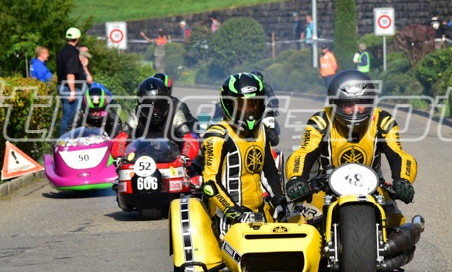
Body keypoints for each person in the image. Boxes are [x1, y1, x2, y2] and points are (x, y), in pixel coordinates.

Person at [285, 70, 417, 209]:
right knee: (300, 219)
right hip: (322, 190)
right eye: (348, 104)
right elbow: (304, 152)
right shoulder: (320, 121)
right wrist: (297, 178)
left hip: (372, 188)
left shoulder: (383, 121)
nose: (356, 110)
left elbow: (398, 155)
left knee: (395, 218)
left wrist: (403, 180)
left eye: (362, 102)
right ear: (335, 104)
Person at [200, 72, 287, 233]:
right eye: (243, 105)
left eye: (255, 104)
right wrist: (236, 213)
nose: (251, 111)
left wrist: (279, 200)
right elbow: (210, 184)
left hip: (259, 215)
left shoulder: (261, 132)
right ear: (229, 104)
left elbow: (270, 172)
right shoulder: (217, 135)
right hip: (228, 221)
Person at [113, 76, 200, 160]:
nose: (154, 112)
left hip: (172, 159)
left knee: (194, 169)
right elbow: (121, 138)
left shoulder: (175, 112)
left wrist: (185, 157)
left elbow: (188, 139)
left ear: (166, 102)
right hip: (142, 158)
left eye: (158, 107)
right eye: (148, 108)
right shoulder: (136, 113)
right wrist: (119, 156)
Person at [56, 27, 85, 135]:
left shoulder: (61, 51)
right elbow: (70, 73)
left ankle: (66, 138)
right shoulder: (73, 52)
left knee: (67, 116)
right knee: (70, 117)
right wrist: (72, 91)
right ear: (77, 39)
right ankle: (65, 139)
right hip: (70, 88)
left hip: (62, 86)